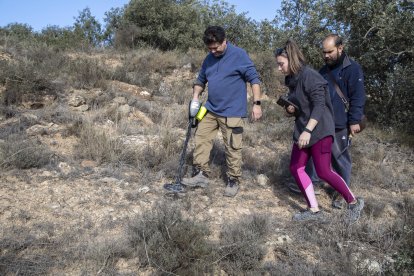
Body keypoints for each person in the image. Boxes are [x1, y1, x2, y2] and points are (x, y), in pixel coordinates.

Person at [275, 39, 364, 222]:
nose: (279, 68)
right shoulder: (292, 79)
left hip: (320, 129)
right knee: (296, 167)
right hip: (304, 128)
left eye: (281, 64)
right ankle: (314, 210)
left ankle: (354, 203)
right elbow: (303, 105)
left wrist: (307, 131)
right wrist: (292, 108)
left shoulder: (311, 76)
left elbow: (319, 106)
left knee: (323, 171)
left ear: (290, 60)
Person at [181, 26, 262, 197]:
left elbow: (254, 79)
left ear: (225, 41)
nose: (213, 51)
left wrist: (257, 103)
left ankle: (234, 180)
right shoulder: (209, 58)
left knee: (233, 146)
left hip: (232, 111)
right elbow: (201, 80)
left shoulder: (239, 55)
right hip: (209, 108)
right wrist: (195, 97)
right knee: (201, 138)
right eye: (210, 48)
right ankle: (200, 174)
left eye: (216, 47)